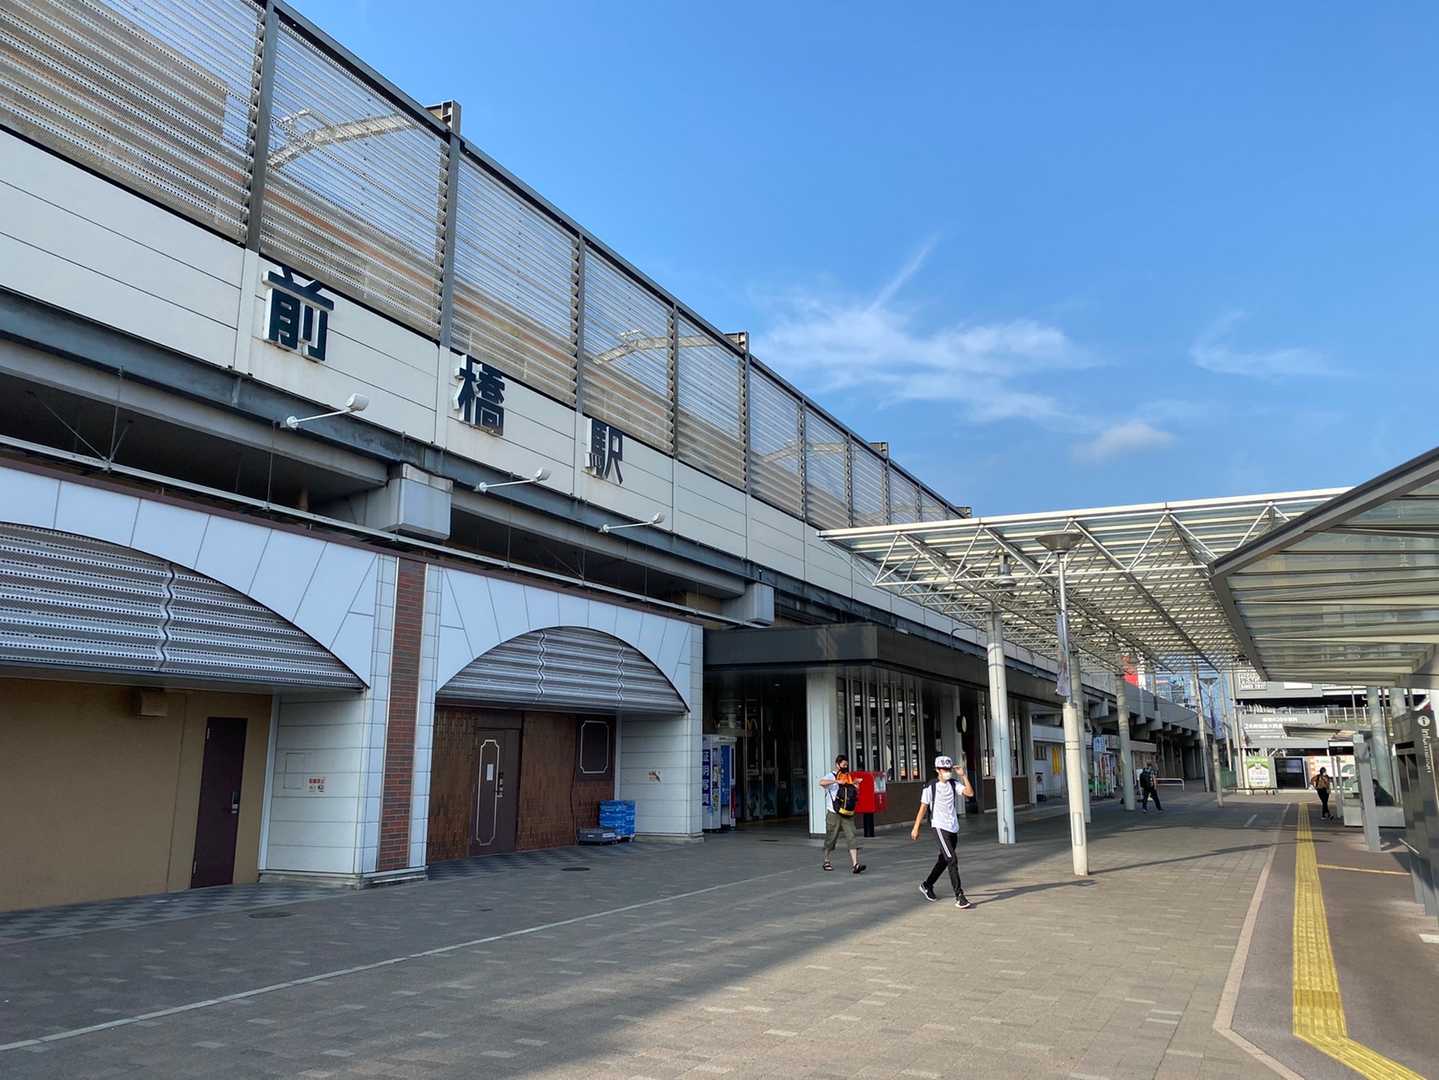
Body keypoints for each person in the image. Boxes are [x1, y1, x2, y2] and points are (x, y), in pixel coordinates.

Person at [911, 755, 975, 909]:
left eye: (948, 769)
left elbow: (970, 793)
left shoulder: (954, 784)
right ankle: (960, 896)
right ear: (937, 770)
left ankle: (927, 885)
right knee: (952, 859)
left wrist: (963, 775)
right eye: (944, 769)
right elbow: (923, 807)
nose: (947, 772)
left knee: (944, 860)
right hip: (939, 826)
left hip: (953, 827)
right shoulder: (930, 786)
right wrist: (916, 827)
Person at [818, 753, 866, 874]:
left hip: (847, 813)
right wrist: (836, 781)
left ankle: (855, 864)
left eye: (846, 765)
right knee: (831, 838)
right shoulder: (831, 775)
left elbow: (852, 791)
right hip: (834, 813)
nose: (845, 767)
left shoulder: (848, 776)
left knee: (852, 836)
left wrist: (855, 784)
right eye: (843, 765)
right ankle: (826, 860)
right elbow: (821, 782)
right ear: (837, 764)